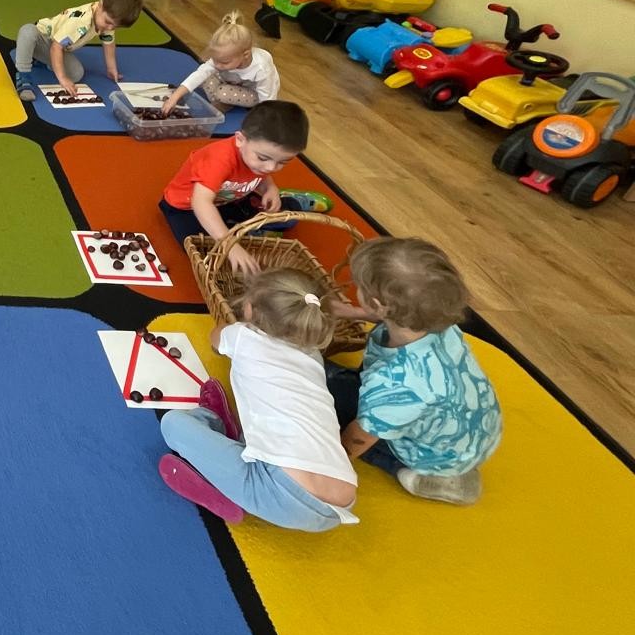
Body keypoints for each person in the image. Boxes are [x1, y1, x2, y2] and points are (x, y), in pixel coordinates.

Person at [159, 267, 360, 531]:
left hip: (279, 494)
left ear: (250, 308)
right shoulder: (313, 356)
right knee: (270, 427)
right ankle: (228, 439)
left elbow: (215, 339)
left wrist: (234, 327)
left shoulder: (243, 335)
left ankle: (220, 486)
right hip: (342, 504)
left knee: (172, 424)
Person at [327, 237, 501, 505]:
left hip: (433, 455)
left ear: (378, 304)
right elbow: (392, 314)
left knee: (324, 402)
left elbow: (360, 436)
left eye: (359, 287)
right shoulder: (433, 323)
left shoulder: (397, 382)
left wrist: (332, 463)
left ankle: (439, 481)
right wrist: (350, 312)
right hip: (471, 433)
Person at [159, 100, 311, 273]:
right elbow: (200, 203)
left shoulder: (257, 158)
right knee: (204, 251)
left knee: (290, 212)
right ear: (240, 140)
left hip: (229, 199)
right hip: (187, 208)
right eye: (263, 158)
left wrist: (270, 188)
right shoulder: (219, 159)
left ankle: (246, 227)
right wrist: (229, 244)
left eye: (283, 162)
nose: (271, 167)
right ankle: (241, 232)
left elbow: (261, 174)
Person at [11, 0, 143, 101]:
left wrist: (111, 69)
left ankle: (39, 59)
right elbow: (56, 47)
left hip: (55, 47)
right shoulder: (81, 21)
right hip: (41, 39)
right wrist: (62, 78)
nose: (110, 28)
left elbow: (109, 43)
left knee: (76, 74)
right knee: (28, 31)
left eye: (115, 26)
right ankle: (23, 75)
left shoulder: (107, 19)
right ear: (100, 5)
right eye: (108, 22)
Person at [161, 10, 280, 113]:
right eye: (215, 60)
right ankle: (226, 102)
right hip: (230, 83)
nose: (217, 65)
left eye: (224, 62)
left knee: (222, 92)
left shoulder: (261, 68)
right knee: (204, 77)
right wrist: (174, 97)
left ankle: (226, 101)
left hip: (253, 94)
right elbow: (199, 74)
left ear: (245, 55)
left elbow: (267, 99)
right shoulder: (223, 59)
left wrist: (262, 118)